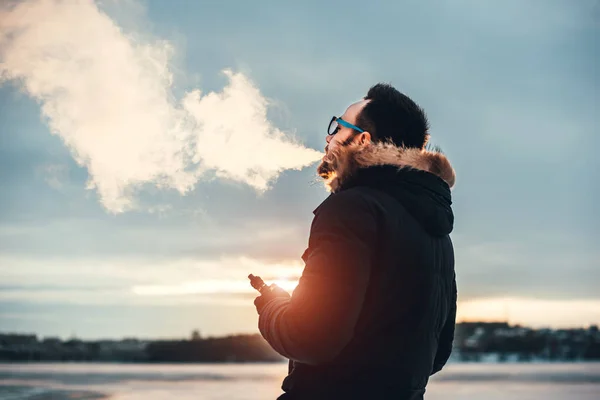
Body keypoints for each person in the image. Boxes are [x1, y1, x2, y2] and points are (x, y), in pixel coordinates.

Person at [254, 83, 457, 400]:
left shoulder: (351, 209)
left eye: (337, 127)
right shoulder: (434, 226)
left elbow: (309, 338)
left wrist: (271, 306)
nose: (328, 137)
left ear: (362, 139)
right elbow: (437, 354)